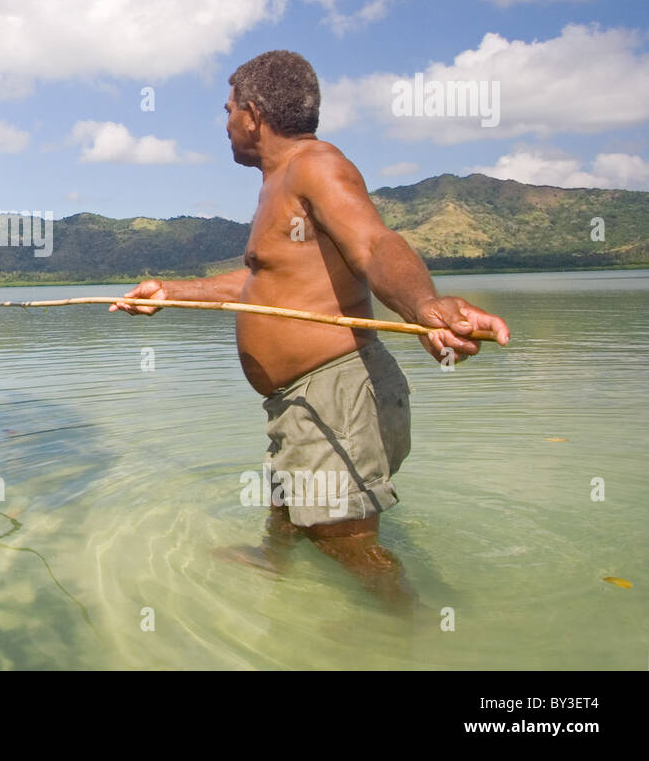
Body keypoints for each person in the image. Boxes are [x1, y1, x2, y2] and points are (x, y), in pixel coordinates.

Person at [111, 50, 510, 607]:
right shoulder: (279, 182)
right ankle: (274, 562)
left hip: (334, 395)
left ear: (252, 113)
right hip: (302, 400)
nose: (224, 123)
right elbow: (264, 286)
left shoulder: (316, 166)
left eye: (227, 110)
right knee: (289, 507)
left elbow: (375, 242)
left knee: (346, 545)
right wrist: (172, 292)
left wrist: (423, 306)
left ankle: (403, 630)